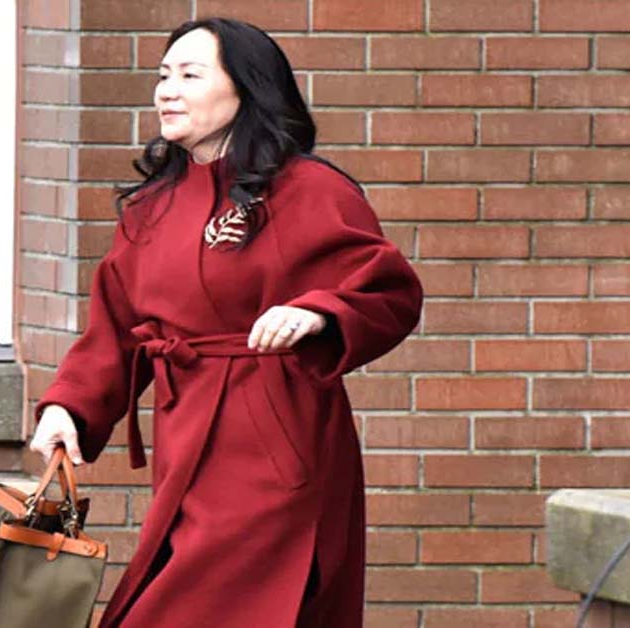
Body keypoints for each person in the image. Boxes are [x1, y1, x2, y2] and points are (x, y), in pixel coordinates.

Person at [29, 17, 423, 628]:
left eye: (190, 76)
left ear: (247, 88)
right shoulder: (151, 207)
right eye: (163, 76)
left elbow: (388, 291)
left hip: (276, 449)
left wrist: (317, 312)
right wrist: (69, 407)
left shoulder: (309, 189)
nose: (167, 91)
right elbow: (115, 329)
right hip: (184, 437)